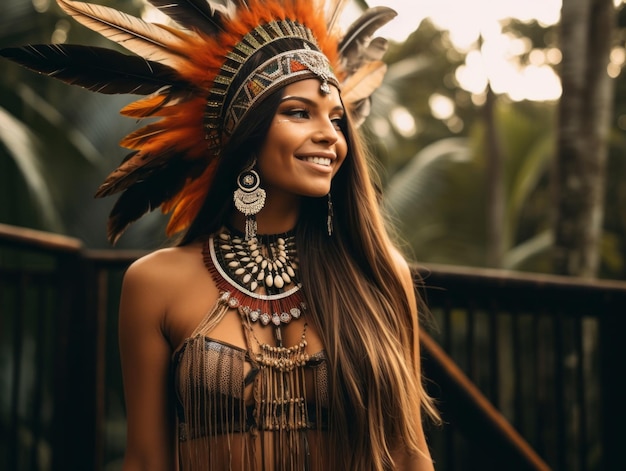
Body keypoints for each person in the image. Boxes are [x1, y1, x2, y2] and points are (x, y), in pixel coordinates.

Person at [2, 0, 440, 469]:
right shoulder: (155, 284)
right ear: (243, 134)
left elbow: (409, 452)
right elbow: (148, 460)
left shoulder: (376, 271)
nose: (330, 135)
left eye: (336, 118)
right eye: (299, 112)